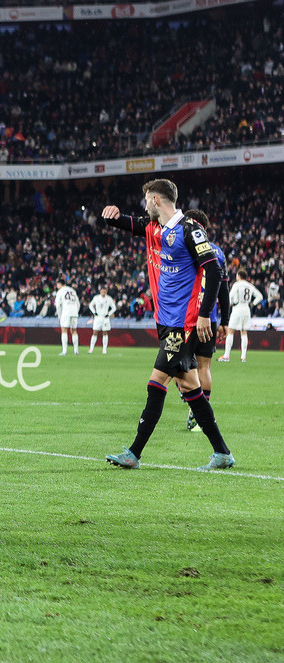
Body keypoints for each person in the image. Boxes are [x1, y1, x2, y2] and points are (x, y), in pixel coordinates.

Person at [101, 178, 233, 471]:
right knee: (189, 386)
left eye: (147, 199)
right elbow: (129, 224)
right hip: (166, 321)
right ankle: (222, 453)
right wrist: (111, 216)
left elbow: (212, 270)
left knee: (156, 382)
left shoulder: (189, 229)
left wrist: (204, 314)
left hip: (183, 324)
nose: (144, 205)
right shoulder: (155, 228)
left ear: (157, 200)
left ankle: (134, 453)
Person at [180, 209, 230, 432]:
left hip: (187, 317)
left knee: (177, 366)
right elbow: (224, 290)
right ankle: (199, 413)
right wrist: (224, 321)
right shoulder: (217, 252)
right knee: (204, 366)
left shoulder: (186, 246)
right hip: (209, 318)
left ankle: (194, 404)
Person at [220, 269, 263, 363]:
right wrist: (253, 303)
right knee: (244, 333)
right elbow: (260, 296)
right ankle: (243, 356)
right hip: (247, 309)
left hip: (237, 308)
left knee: (231, 331)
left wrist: (229, 303)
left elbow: (230, 296)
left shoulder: (237, 284)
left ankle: (226, 355)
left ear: (239, 276)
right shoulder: (250, 285)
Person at [54, 278, 80, 356]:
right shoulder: (72, 290)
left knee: (64, 330)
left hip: (65, 312)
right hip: (74, 312)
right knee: (74, 330)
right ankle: (76, 350)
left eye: (57, 284)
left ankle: (64, 351)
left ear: (60, 284)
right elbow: (78, 303)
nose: (57, 286)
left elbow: (58, 305)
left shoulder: (60, 291)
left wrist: (59, 315)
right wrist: (76, 311)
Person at [87, 286, 116, 355]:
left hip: (105, 318)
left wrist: (109, 314)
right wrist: (94, 312)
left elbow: (114, 308)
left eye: (105, 292)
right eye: (102, 291)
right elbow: (90, 305)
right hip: (98, 317)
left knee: (105, 333)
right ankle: (91, 348)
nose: (104, 293)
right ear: (100, 292)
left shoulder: (109, 298)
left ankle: (104, 349)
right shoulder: (96, 298)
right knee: (95, 332)